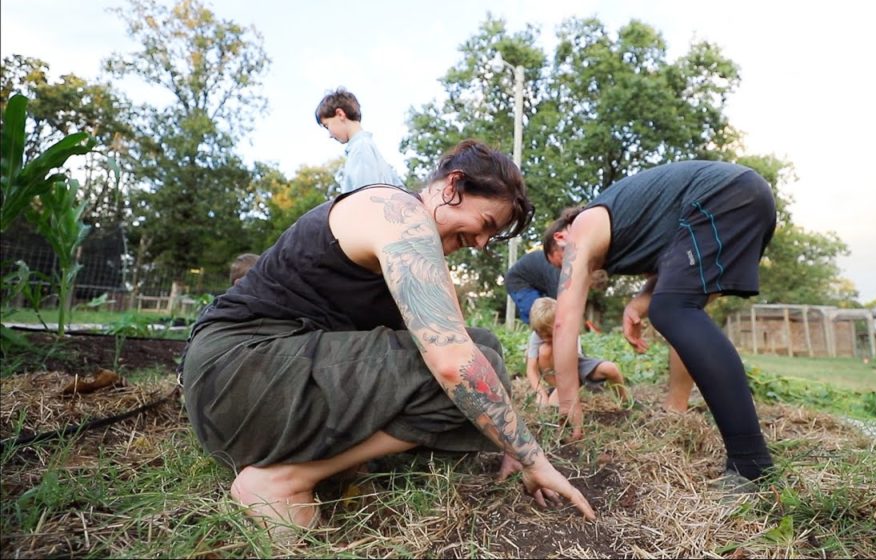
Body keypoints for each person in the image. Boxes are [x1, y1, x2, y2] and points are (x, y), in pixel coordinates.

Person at [179, 140, 595, 539]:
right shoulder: (399, 213)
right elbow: (454, 363)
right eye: (486, 223)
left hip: (265, 381)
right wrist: (531, 457)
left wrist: (505, 437)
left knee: (484, 350)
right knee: (461, 373)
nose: (483, 243)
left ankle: (335, 462)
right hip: (239, 376)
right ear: (454, 186)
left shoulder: (420, 243)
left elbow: (467, 344)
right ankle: (281, 481)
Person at [542, 160, 776, 486]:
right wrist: (639, 302)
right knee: (679, 308)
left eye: (561, 261)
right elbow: (670, 267)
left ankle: (751, 464)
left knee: (673, 308)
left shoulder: (584, 226)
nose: (567, 269)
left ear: (561, 237)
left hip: (721, 197)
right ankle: (675, 408)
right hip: (739, 199)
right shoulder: (627, 230)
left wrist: (568, 404)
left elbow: (564, 322)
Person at [526, 297, 628, 408]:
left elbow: (572, 365)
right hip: (556, 374)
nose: (544, 339)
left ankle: (625, 402)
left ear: (560, 325)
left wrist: (568, 387)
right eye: (540, 334)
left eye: (549, 335)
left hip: (575, 366)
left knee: (611, 369)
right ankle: (557, 389)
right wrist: (541, 393)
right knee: (545, 350)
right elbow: (531, 369)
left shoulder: (569, 331)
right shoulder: (536, 336)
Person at [315, 87, 404, 193]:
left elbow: (365, 199)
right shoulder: (369, 148)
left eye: (326, 126)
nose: (329, 135)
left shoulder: (360, 149)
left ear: (340, 114)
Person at [504, 249, 561, 325]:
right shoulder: (556, 273)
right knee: (540, 319)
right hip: (519, 281)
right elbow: (558, 303)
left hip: (538, 281)